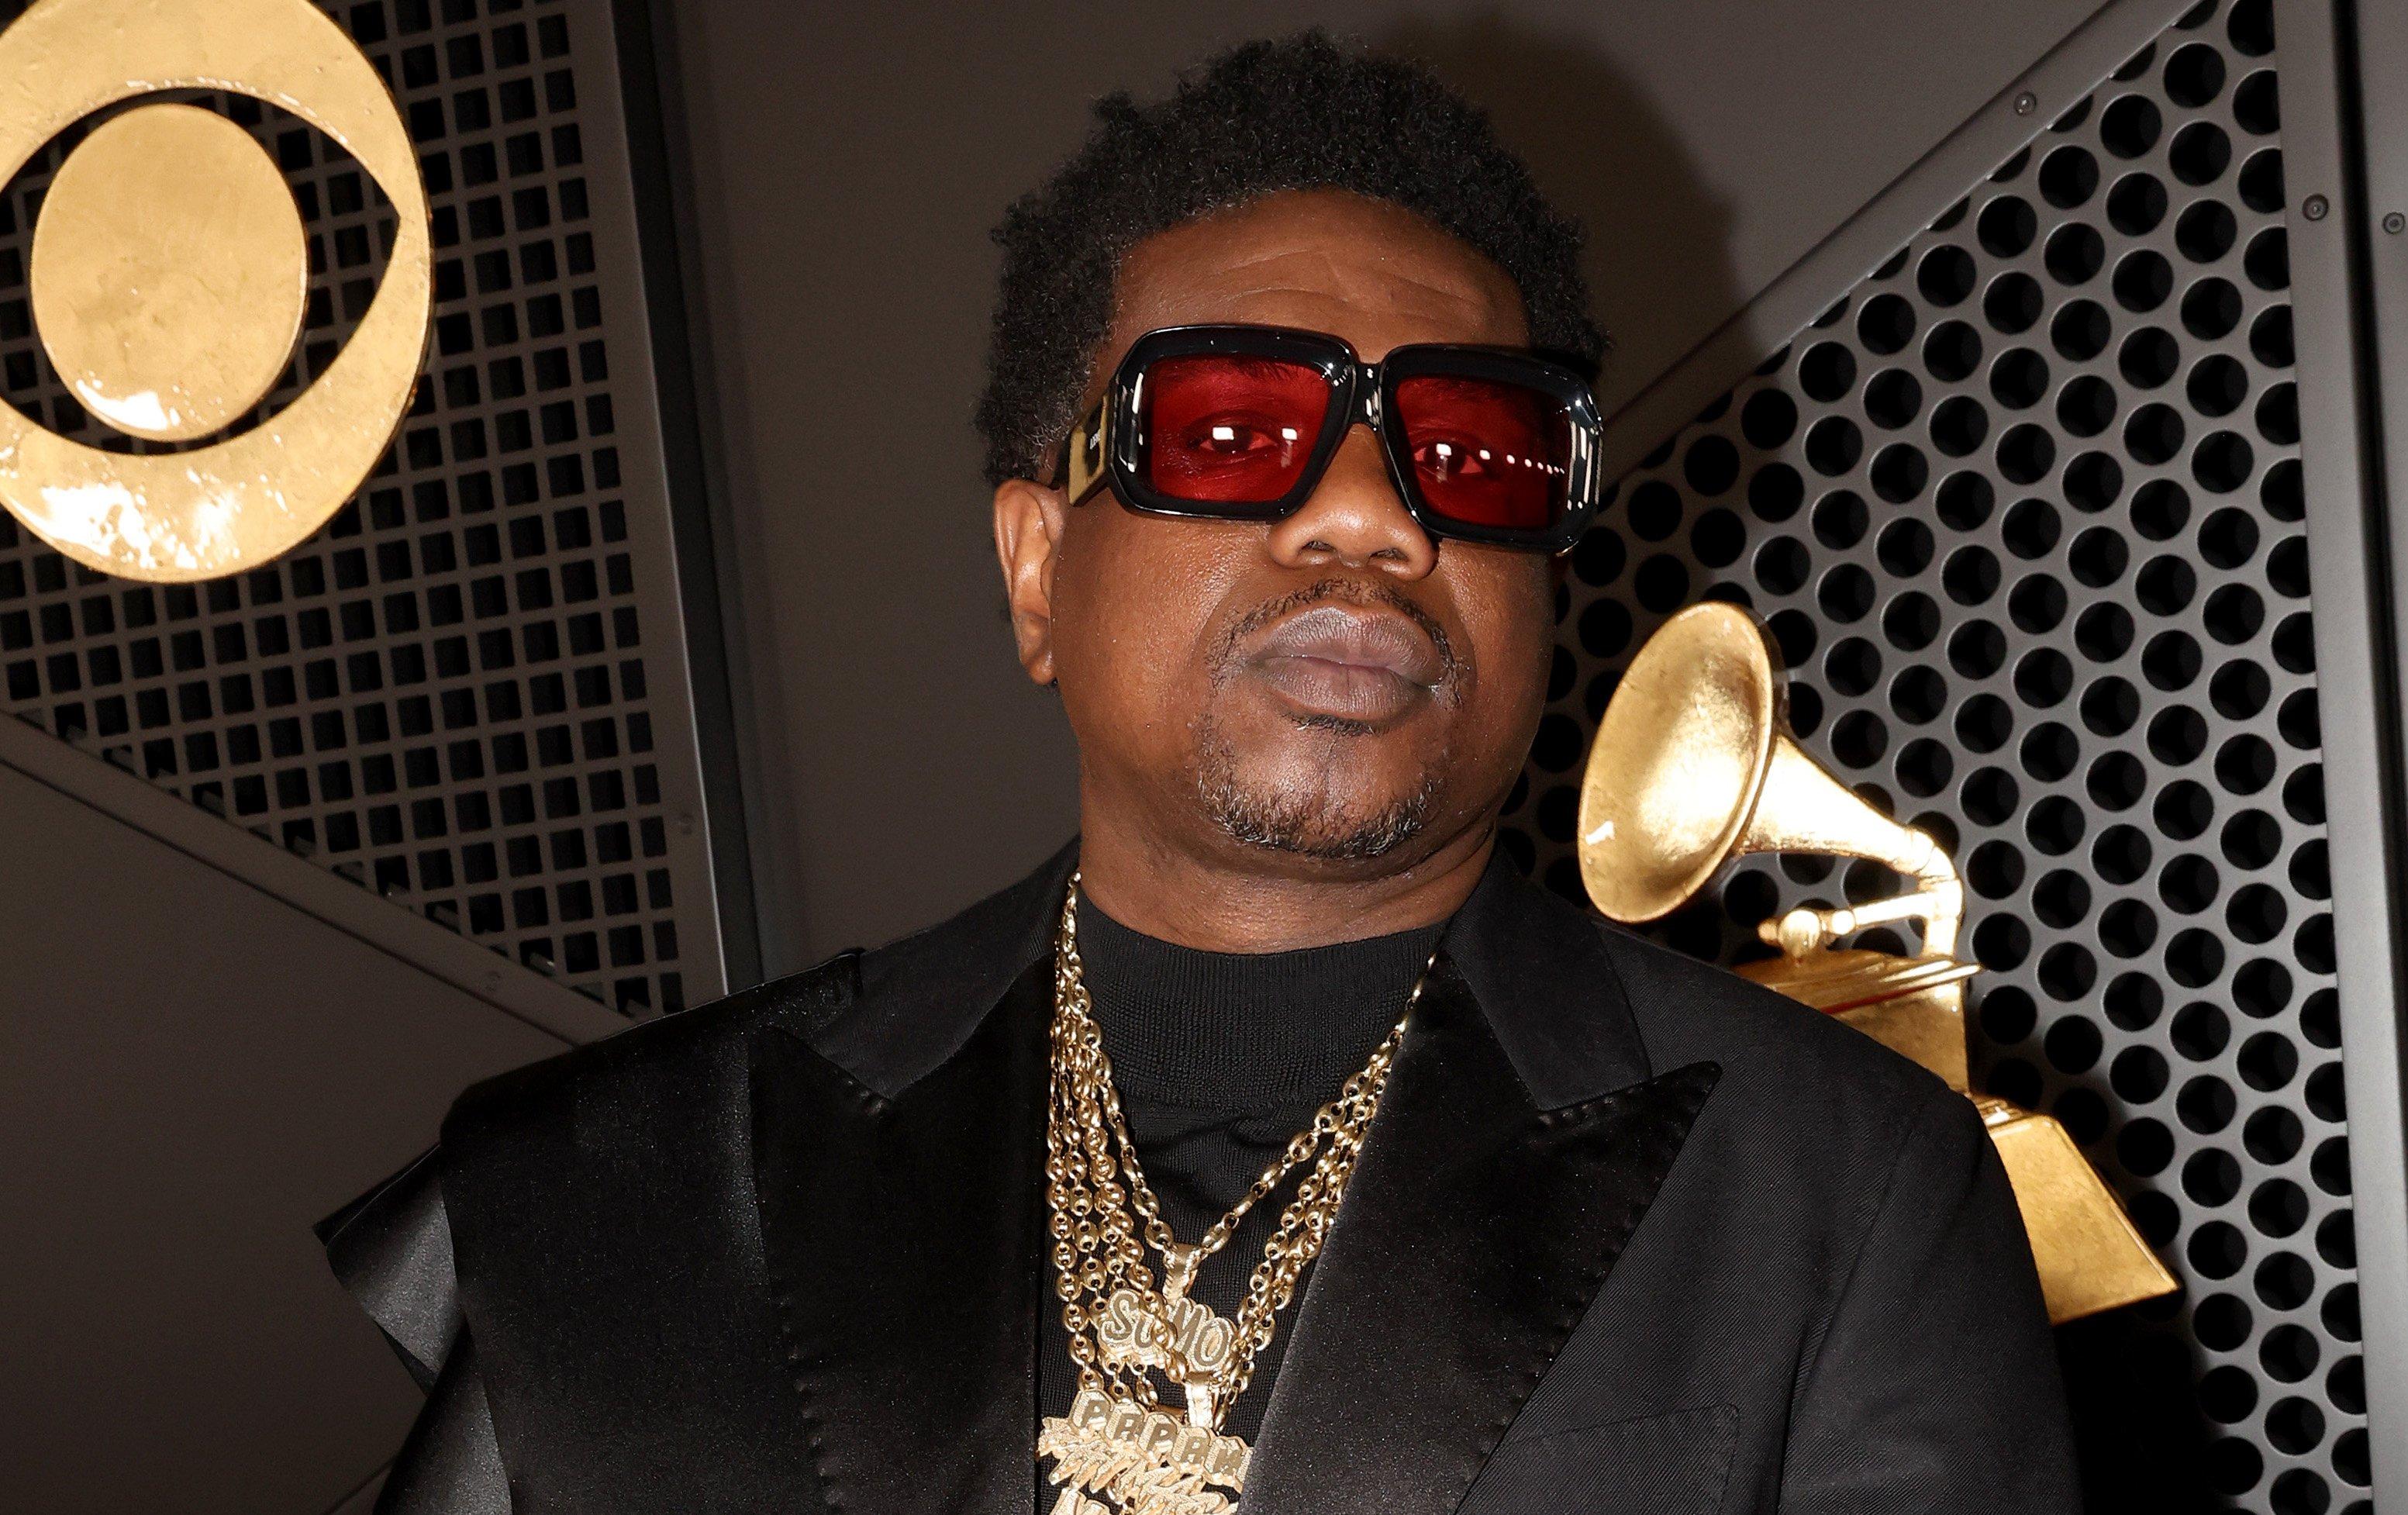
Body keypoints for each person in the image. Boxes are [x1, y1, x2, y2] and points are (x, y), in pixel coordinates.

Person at [323, 31, 2079, 1514]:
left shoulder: (1837, 1194)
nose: (1367, 515)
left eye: (1470, 454)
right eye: (1233, 430)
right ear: (1036, 569)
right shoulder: (628, 1187)